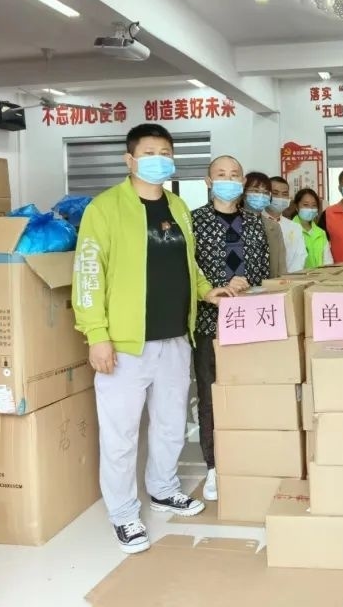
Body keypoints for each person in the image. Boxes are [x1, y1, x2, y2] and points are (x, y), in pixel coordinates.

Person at [72, 123, 234, 555]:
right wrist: (96, 335)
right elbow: (88, 274)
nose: (158, 159)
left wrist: (206, 291)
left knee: (170, 424)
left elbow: (187, 264)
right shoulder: (105, 208)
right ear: (130, 160)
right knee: (121, 435)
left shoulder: (177, 206)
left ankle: (163, 488)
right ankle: (124, 513)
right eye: (149, 152)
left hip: (175, 337)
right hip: (125, 344)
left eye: (165, 152)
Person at [191, 155, 272, 503]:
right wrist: (214, 289)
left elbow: (265, 272)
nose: (228, 179)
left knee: (250, 392)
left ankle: (249, 457)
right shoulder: (193, 221)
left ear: (242, 182)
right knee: (211, 396)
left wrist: (247, 285)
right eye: (221, 174)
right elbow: (189, 271)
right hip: (209, 323)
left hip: (251, 323)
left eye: (234, 174)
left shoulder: (255, 222)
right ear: (209, 182)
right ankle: (215, 465)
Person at [245, 172, 306, 274]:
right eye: (275, 193)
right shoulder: (256, 221)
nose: (280, 197)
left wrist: (289, 277)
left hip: (290, 278)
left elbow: (299, 257)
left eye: (285, 194)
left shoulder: (295, 227)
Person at [293, 187, 333, 268]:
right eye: (306, 205)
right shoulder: (289, 230)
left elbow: (328, 261)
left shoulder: (321, 233)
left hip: (320, 275)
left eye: (314, 205)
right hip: (297, 275)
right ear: (296, 207)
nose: (310, 209)